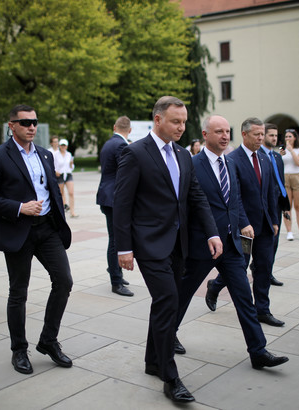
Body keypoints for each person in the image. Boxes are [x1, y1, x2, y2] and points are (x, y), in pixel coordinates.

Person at [113, 96, 222, 403]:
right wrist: (124, 248)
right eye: (176, 121)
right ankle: (170, 377)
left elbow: (196, 197)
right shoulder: (134, 153)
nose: (181, 127)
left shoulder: (184, 155)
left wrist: (212, 233)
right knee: (168, 301)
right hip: (148, 243)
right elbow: (121, 204)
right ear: (158, 120)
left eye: (184, 122)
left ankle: (152, 361)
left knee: (165, 304)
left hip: (179, 243)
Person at [176, 115, 288, 370]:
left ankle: (258, 351)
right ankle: (169, 333)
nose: (225, 136)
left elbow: (234, 200)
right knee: (183, 294)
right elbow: (186, 205)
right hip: (202, 245)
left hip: (232, 245)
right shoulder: (193, 164)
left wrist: (243, 223)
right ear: (205, 135)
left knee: (243, 297)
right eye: (218, 132)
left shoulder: (230, 163)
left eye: (227, 131)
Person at [0, 104, 74, 375]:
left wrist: (59, 218)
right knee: (18, 292)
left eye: (34, 121)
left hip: (47, 230)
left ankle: (48, 340)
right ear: (12, 125)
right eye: (25, 122)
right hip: (18, 230)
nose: (31, 126)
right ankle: (19, 350)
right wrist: (19, 207)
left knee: (64, 281)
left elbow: (50, 189)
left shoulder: (45, 154)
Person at [206, 118, 284, 327]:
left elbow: (270, 193)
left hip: (266, 225)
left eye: (263, 134)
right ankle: (215, 286)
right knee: (240, 266)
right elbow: (234, 196)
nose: (261, 138)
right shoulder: (233, 160)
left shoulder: (266, 159)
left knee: (264, 266)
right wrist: (243, 223)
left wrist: (274, 220)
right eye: (257, 134)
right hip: (243, 227)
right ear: (244, 134)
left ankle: (262, 310)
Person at [96, 116, 134, 297]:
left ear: (114, 127)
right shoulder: (121, 146)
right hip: (113, 199)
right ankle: (116, 281)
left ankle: (115, 271)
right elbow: (126, 173)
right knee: (116, 241)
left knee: (115, 239)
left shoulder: (108, 143)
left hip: (107, 196)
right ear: (130, 130)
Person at [260, 123, 289, 286]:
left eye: (276, 135)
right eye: (271, 135)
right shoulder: (258, 156)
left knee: (274, 241)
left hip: (276, 203)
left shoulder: (277, 157)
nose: (274, 138)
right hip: (262, 206)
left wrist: (285, 206)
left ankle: (268, 272)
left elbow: (281, 181)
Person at [280, 128, 299, 241]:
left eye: (290, 136)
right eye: (286, 137)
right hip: (285, 178)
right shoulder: (282, 149)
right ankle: (289, 231)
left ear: (295, 138)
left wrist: (291, 151)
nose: (287, 139)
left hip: (297, 178)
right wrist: (281, 154)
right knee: (287, 207)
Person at [54, 139, 77, 217]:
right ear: (59, 146)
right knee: (61, 193)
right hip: (59, 175)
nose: (63, 147)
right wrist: (55, 171)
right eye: (62, 145)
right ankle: (62, 211)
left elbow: (71, 167)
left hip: (68, 174)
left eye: (64, 145)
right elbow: (52, 165)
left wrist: (71, 164)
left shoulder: (69, 154)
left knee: (71, 192)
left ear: (66, 146)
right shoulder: (55, 154)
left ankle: (72, 212)